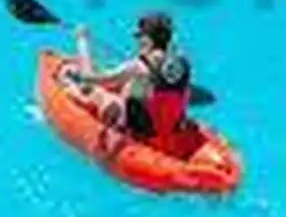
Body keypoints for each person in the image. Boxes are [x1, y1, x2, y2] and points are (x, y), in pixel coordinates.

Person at [59, 11, 193, 157]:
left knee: (99, 94)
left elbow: (89, 78)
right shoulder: (182, 63)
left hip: (144, 134)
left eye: (139, 37)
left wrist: (82, 41)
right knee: (133, 85)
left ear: (147, 40)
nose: (138, 42)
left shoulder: (138, 66)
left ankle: (73, 90)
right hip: (172, 132)